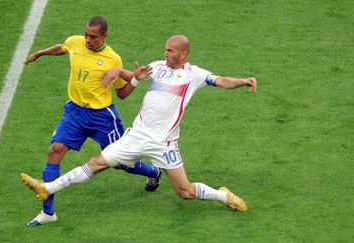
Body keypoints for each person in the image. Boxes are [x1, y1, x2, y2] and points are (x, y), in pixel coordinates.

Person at [21, 34, 257, 213]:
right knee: (97, 163)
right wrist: (121, 72)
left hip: (164, 143)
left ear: (183, 54)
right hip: (137, 135)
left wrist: (243, 81)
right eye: (165, 49)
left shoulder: (194, 74)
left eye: (170, 51)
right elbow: (136, 75)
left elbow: (222, 81)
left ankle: (223, 196)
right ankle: (46, 188)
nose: (165, 54)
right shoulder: (158, 66)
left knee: (185, 191)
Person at [22, 16, 161, 226]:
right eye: (86, 34)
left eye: (93, 37)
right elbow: (62, 47)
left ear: (104, 36)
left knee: (120, 164)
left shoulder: (113, 59)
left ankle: (153, 172)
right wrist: (40, 53)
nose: (88, 40)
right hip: (74, 113)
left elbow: (122, 93)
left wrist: (134, 79)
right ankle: (48, 212)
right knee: (55, 151)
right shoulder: (76, 42)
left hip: (102, 117)